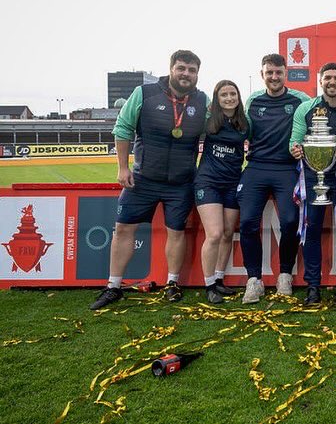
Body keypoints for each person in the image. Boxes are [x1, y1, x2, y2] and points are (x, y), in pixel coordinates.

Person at [90, 50, 209, 310]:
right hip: (143, 179)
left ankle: (172, 283)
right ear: (171, 69)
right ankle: (113, 286)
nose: (186, 74)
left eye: (191, 70)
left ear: (197, 74)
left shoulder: (202, 101)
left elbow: (216, 131)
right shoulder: (145, 93)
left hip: (181, 182)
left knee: (176, 232)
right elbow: (122, 128)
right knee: (123, 229)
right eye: (181, 68)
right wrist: (123, 168)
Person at [290, 63, 336, 305]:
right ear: (320, 80)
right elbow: (295, 141)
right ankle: (313, 285)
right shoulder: (306, 108)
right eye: (328, 78)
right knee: (311, 229)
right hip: (312, 177)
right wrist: (296, 150)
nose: (332, 82)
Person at [238, 54, 309, 303]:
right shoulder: (253, 100)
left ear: (285, 73)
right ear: (262, 74)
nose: (274, 77)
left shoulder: (300, 99)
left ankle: (285, 275)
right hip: (256, 166)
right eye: (269, 73)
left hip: (287, 169)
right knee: (247, 222)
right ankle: (253, 280)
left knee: (290, 222)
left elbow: (321, 110)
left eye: (279, 72)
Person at [195, 80, 249, 304]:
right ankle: (208, 285)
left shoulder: (245, 123)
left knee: (228, 233)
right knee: (215, 234)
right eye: (224, 95)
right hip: (208, 182)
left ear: (238, 97)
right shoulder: (207, 120)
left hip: (232, 182)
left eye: (232, 94)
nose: (229, 98)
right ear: (217, 99)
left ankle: (218, 279)